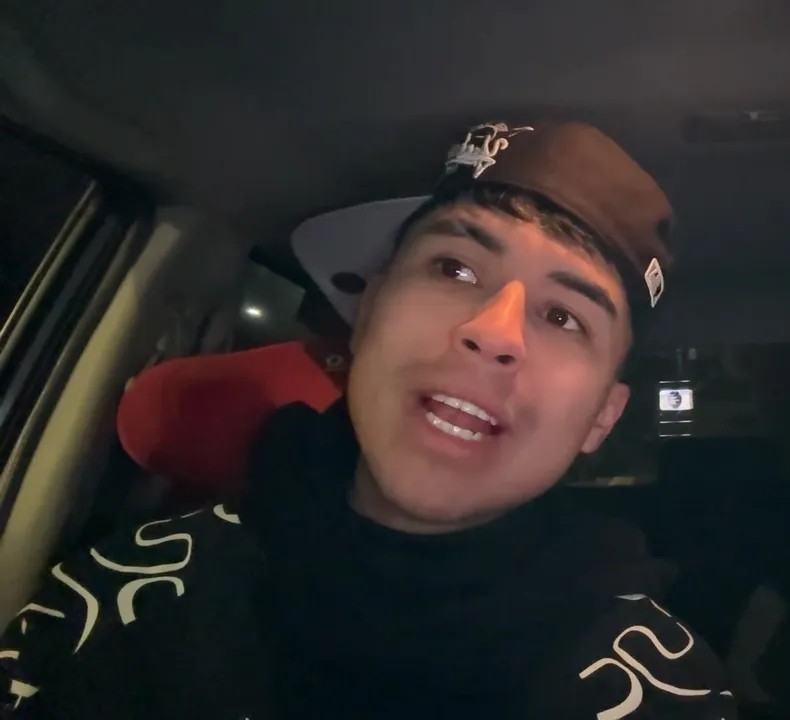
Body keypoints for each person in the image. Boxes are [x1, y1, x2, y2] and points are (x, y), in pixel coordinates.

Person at [0, 121, 736, 719]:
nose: (494, 333)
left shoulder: (657, 693)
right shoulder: (117, 602)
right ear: (368, 311)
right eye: (454, 269)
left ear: (600, 419)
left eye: (564, 316)